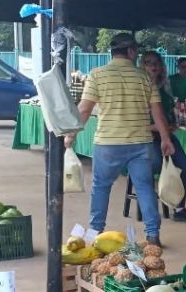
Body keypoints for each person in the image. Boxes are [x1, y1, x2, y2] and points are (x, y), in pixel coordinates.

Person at [68, 33, 174, 247]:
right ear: (131, 52)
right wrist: (165, 138)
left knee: (101, 187)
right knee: (144, 187)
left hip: (108, 143)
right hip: (140, 144)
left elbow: (84, 109)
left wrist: (71, 135)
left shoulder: (97, 75)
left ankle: (96, 233)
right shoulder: (144, 78)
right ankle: (153, 236)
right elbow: (158, 112)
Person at [140, 51, 186, 223]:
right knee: (158, 165)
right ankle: (150, 208)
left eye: (156, 63)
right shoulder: (139, 88)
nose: (153, 66)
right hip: (147, 137)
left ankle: (179, 209)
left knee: (185, 167)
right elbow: (135, 123)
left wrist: (172, 124)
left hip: (165, 136)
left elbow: (168, 115)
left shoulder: (164, 87)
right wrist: (158, 127)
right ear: (142, 66)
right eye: (148, 62)